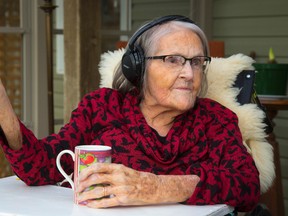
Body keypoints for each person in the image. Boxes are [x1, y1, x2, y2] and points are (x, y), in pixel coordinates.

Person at [0, 15, 260, 212]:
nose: (189, 74)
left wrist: (157, 188)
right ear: (137, 67)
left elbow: (248, 187)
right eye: (173, 60)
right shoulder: (101, 108)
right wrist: (5, 113)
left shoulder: (216, 120)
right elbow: (39, 167)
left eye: (196, 62)